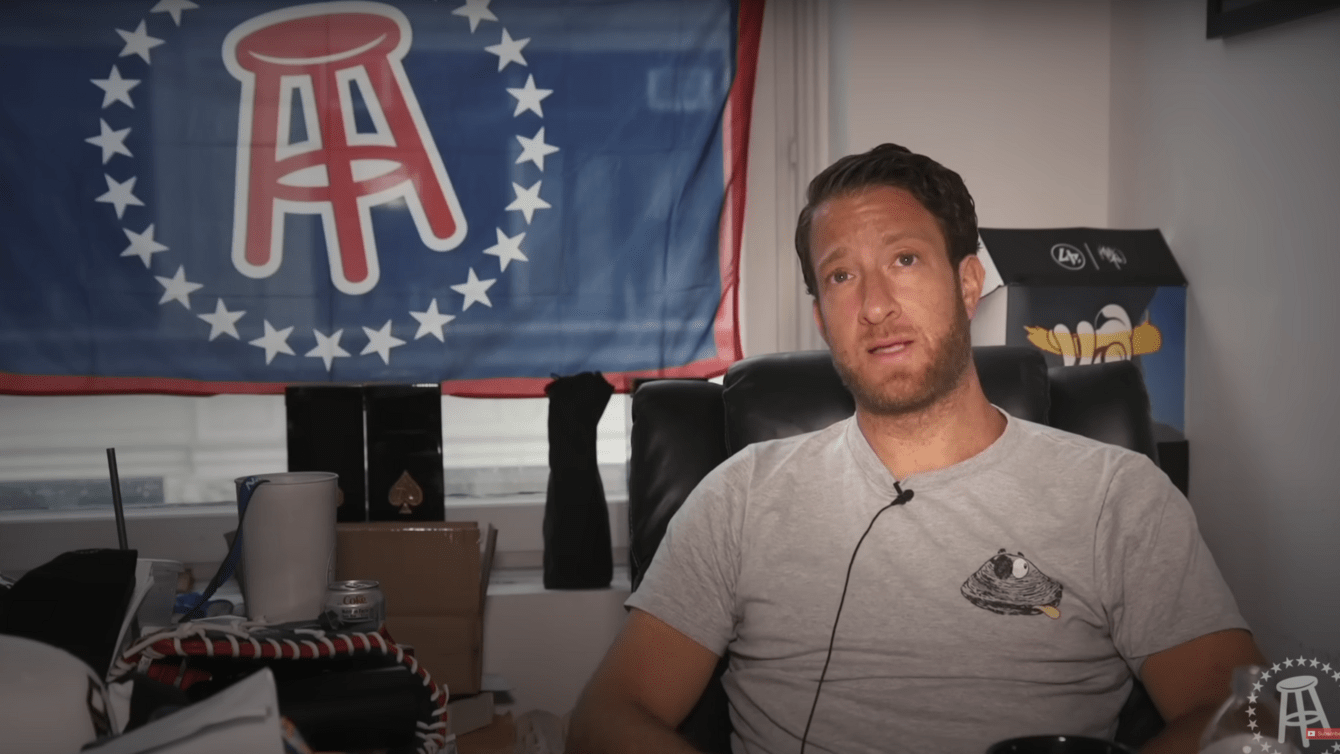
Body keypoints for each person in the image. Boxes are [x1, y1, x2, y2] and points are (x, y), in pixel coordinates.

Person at [567, 144, 1263, 754]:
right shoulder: (740, 495)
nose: (873, 305)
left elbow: (1241, 714)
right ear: (821, 317)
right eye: (841, 276)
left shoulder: (1119, 495)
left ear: (966, 283)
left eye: (904, 259)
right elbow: (607, 717)